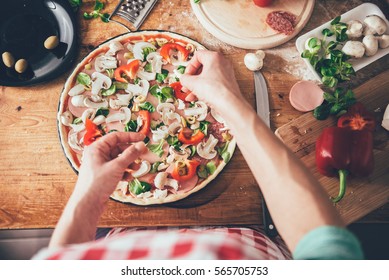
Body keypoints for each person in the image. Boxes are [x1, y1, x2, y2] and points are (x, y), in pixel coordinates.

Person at [33, 51, 363, 260]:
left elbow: (61, 260)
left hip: (131, 236)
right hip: (251, 240)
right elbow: (322, 241)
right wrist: (228, 100)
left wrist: (90, 192)